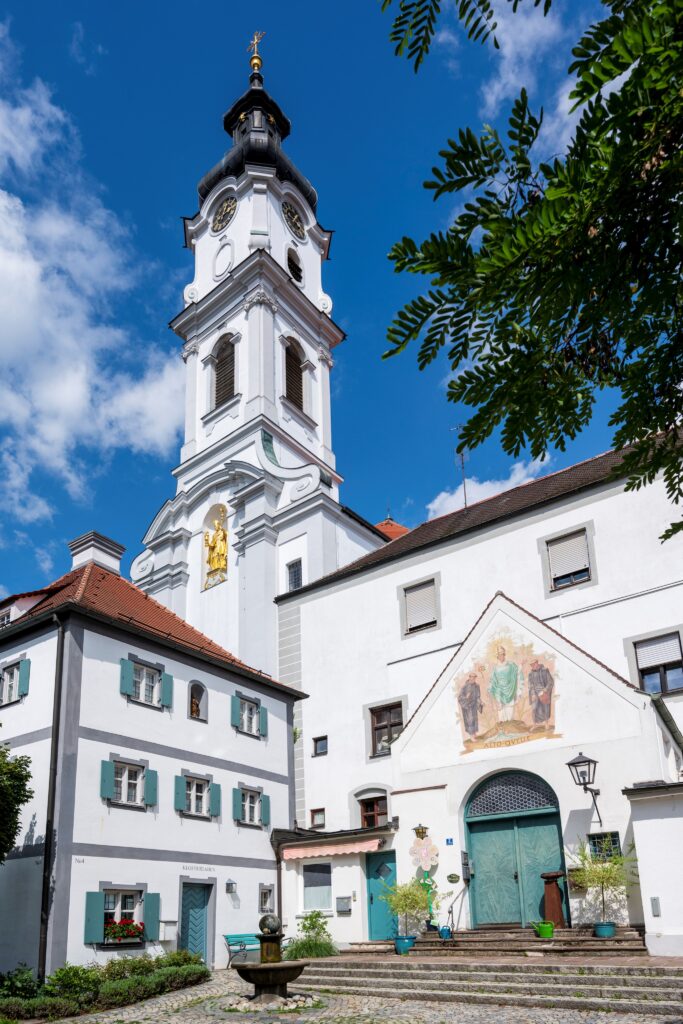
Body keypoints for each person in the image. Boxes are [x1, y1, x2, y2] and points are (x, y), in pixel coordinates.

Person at [489, 645, 522, 726]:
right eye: (499, 655)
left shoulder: (510, 665)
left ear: (504, 655)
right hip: (499, 690)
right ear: (497, 657)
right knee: (500, 705)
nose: (501, 656)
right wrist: (491, 687)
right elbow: (493, 680)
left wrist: (521, 665)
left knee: (509, 706)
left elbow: (516, 672)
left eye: (502, 654)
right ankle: (501, 721)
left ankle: (509, 721)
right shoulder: (495, 668)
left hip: (509, 688)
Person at [528, 657, 554, 725]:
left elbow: (550, 682)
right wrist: (533, 693)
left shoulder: (545, 670)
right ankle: (534, 725)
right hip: (535, 693)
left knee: (545, 708)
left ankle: (546, 724)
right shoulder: (531, 674)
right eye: (531, 665)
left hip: (544, 692)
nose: (532, 666)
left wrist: (545, 690)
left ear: (537, 663)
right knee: (534, 708)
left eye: (533, 664)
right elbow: (530, 685)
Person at [458, 673, 483, 739]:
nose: (473, 679)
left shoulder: (477, 686)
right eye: (472, 677)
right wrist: (466, 697)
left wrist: (480, 702)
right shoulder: (464, 687)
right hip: (467, 706)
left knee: (474, 719)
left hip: (474, 705)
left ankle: (474, 734)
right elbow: (460, 697)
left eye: (474, 677)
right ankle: (471, 736)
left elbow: (478, 696)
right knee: (470, 720)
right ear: (469, 677)